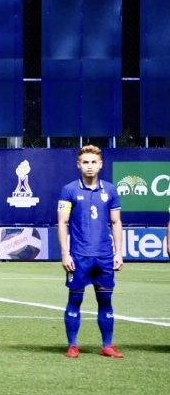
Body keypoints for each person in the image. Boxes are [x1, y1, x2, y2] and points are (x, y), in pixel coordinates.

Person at [58, 145, 124, 358]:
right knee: (75, 299)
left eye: (93, 162)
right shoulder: (69, 190)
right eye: (85, 162)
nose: (89, 166)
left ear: (101, 164)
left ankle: (107, 345)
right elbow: (62, 223)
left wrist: (119, 253)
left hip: (104, 256)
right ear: (78, 165)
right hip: (79, 256)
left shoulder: (111, 190)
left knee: (106, 300)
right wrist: (65, 253)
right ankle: (73, 345)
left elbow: (116, 223)